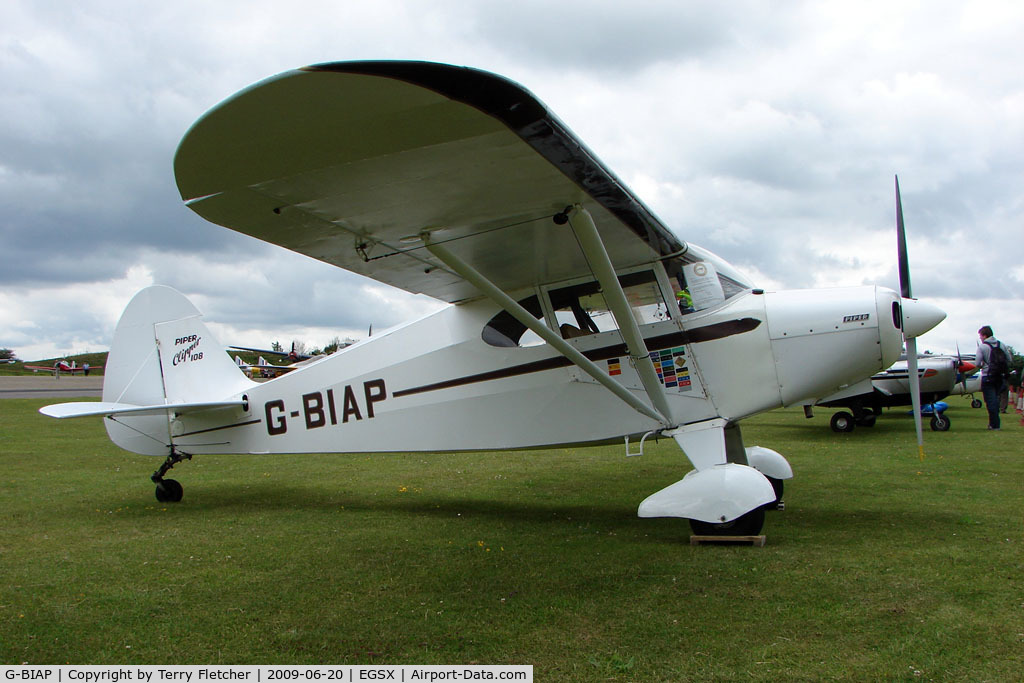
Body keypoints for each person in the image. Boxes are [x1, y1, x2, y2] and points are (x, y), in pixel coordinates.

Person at [976, 325, 1007, 430]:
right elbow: (1009, 359)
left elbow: (977, 363)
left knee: (990, 401)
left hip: (987, 375)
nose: (980, 338)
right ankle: (993, 423)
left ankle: (994, 425)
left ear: (984, 335)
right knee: (996, 399)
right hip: (1000, 376)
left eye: (980, 336)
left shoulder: (982, 347)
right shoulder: (1001, 345)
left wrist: (984, 365)